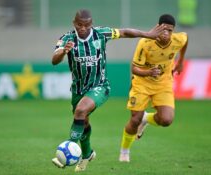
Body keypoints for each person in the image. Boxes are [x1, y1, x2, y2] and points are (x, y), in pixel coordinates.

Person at [51, 9, 166, 172]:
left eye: (86, 25)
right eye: (79, 24)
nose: (83, 28)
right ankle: (87, 154)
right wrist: (63, 51)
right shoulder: (66, 39)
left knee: (80, 111)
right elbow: (54, 60)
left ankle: (69, 147)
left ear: (92, 24)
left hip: (100, 86)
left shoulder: (101, 34)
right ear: (74, 23)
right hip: (78, 89)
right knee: (83, 122)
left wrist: (148, 34)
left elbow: (125, 32)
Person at [119, 14, 188, 162]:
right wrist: (149, 72)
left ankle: (147, 119)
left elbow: (186, 39)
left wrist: (181, 61)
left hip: (163, 83)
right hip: (142, 83)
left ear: (173, 30)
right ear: (158, 27)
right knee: (135, 119)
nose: (166, 33)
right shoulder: (145, 42)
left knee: (166, 120)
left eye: (170, 30)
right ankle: (125, 151)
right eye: (163, 29)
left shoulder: (178, 39)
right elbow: (134, 68)